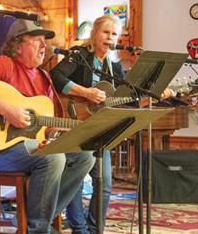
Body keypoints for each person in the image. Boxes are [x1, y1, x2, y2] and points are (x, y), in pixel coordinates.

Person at [0, 19, 95, 234]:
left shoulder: (44, 78)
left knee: (85, 155)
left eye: (44, 41)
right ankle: (37, 229)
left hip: (27, 148)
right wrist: (8, 111)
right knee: (53, 158)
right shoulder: (6, 64)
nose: (44, 46)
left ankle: (34, 220)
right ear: (18, 45)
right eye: (37, 40)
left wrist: (64, 131)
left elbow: (45, 128)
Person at [50, 15, 125, 234]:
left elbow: (124, 95)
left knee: (105, 183)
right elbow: (57, 75)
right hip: (76, 122)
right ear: (94, 33)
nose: (109, 38)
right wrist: (86, 92)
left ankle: (95, 229)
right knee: (76, 182)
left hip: (102, 128)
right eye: (105, 32)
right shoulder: (80, 55)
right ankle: (79, 228)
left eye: (114, 34)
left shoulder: (114, 66)